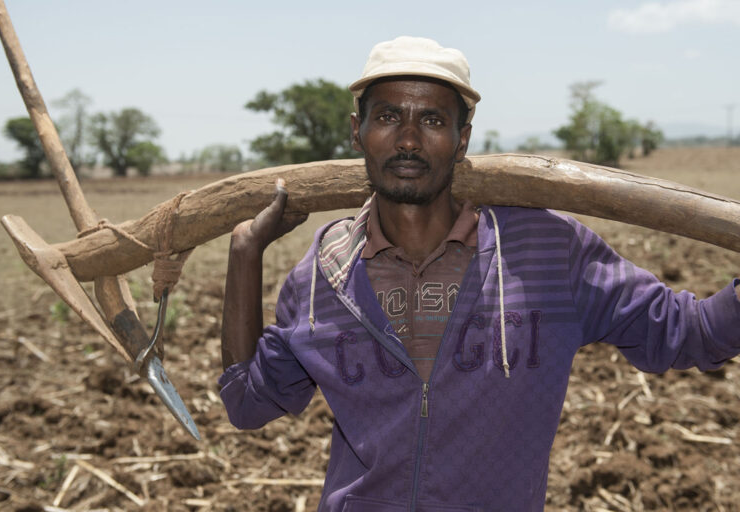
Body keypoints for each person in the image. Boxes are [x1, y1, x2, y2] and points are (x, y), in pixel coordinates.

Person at [218, 36, 740, 511]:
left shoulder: (545, 252)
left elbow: (688, 331)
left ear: (463, 138)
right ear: (358, 132)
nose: (407, 140)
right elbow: (247, 402)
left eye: (432, 121)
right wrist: (245, 252)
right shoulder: (321, 276)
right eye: (387, 117)